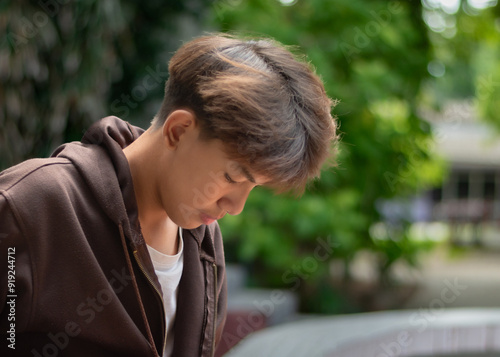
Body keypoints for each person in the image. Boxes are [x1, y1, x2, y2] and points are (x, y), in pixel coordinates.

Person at [0, 34, 337, 357]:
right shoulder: (29, 206)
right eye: (232, 177)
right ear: (179, 130)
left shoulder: (205, 243)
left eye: (255, 187)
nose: (236, 207)